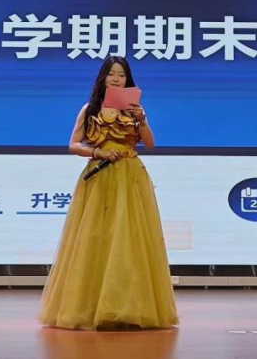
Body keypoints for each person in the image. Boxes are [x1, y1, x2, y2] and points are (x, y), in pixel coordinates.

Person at [38, 56, 179, 331]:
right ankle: (88, 307)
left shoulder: (135, 110)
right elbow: (73, 144)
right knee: (94, 238)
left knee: (129, 239)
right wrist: (98, 152)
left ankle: (129, 307)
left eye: (121, 75)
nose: (116, 79)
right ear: (103, 78)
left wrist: (141, 120)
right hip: (99, 176)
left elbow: (150, 143)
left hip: (130, 178)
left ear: (128, 80)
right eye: (112, 74)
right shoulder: (90, 109)